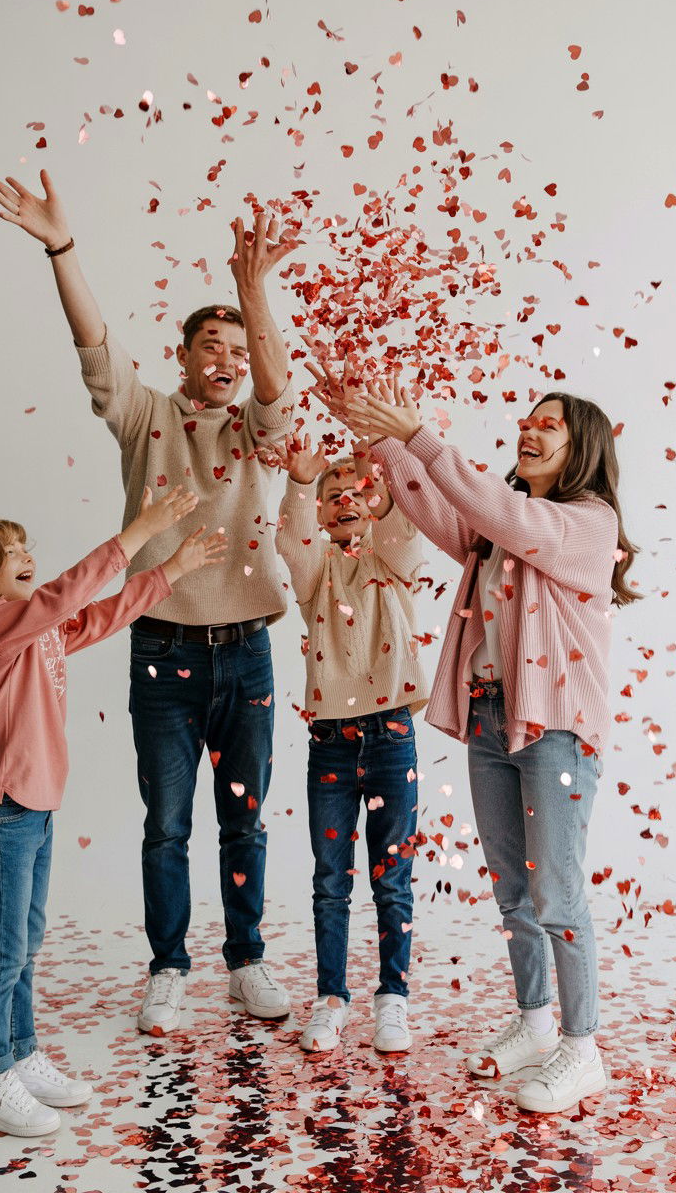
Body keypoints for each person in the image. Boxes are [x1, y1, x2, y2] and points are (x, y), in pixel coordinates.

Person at [0, 170, 296, 1034]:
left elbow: (277, 392)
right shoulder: (147, 416)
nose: (228, 363)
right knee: (166, 826)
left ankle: (246, 962)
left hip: (248, 650)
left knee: (245, 823)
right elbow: (94, 344)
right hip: (161, 647)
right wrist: (62, 246)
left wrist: (253, 293)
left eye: (238, 352)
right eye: (212, 347)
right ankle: (167, 968)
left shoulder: (255, 431)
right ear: (183, 355)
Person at [339, 378, 639, 1112]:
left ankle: (582, 1050)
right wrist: (380, 436)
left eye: (549, 426)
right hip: (489, 717)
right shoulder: (500, 527)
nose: (528, 431)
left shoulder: (588, 522)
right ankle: (536, 1024)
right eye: (527, 421)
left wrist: (417, 434)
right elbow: (438, 504)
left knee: (556, 892)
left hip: (556, 728)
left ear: (582, 449)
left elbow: (504, 512)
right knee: (514, 891)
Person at [0, 486, 224, 1136]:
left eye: (24, 545)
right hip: (1, 804)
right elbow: (65, 597)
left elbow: (95, 617)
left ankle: (20, 1054)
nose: (26, 555)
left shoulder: (36, 628)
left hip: (33, 805)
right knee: (4, 947)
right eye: (10, 552)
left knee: (25, 943)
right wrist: (138, 533)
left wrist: (170, 572)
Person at [272, 431, 428, 1053]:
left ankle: (393, 998)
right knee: (330, 880)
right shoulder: (317, 574)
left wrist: (376, 474)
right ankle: (331, 999)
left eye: (355, 492)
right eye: (332, 494)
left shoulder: (392, 561)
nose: (345, 500)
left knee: (392, 880)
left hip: (392, 736)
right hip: (332, 743)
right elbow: (293, 540)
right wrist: (300, 482)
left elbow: (403, 528)